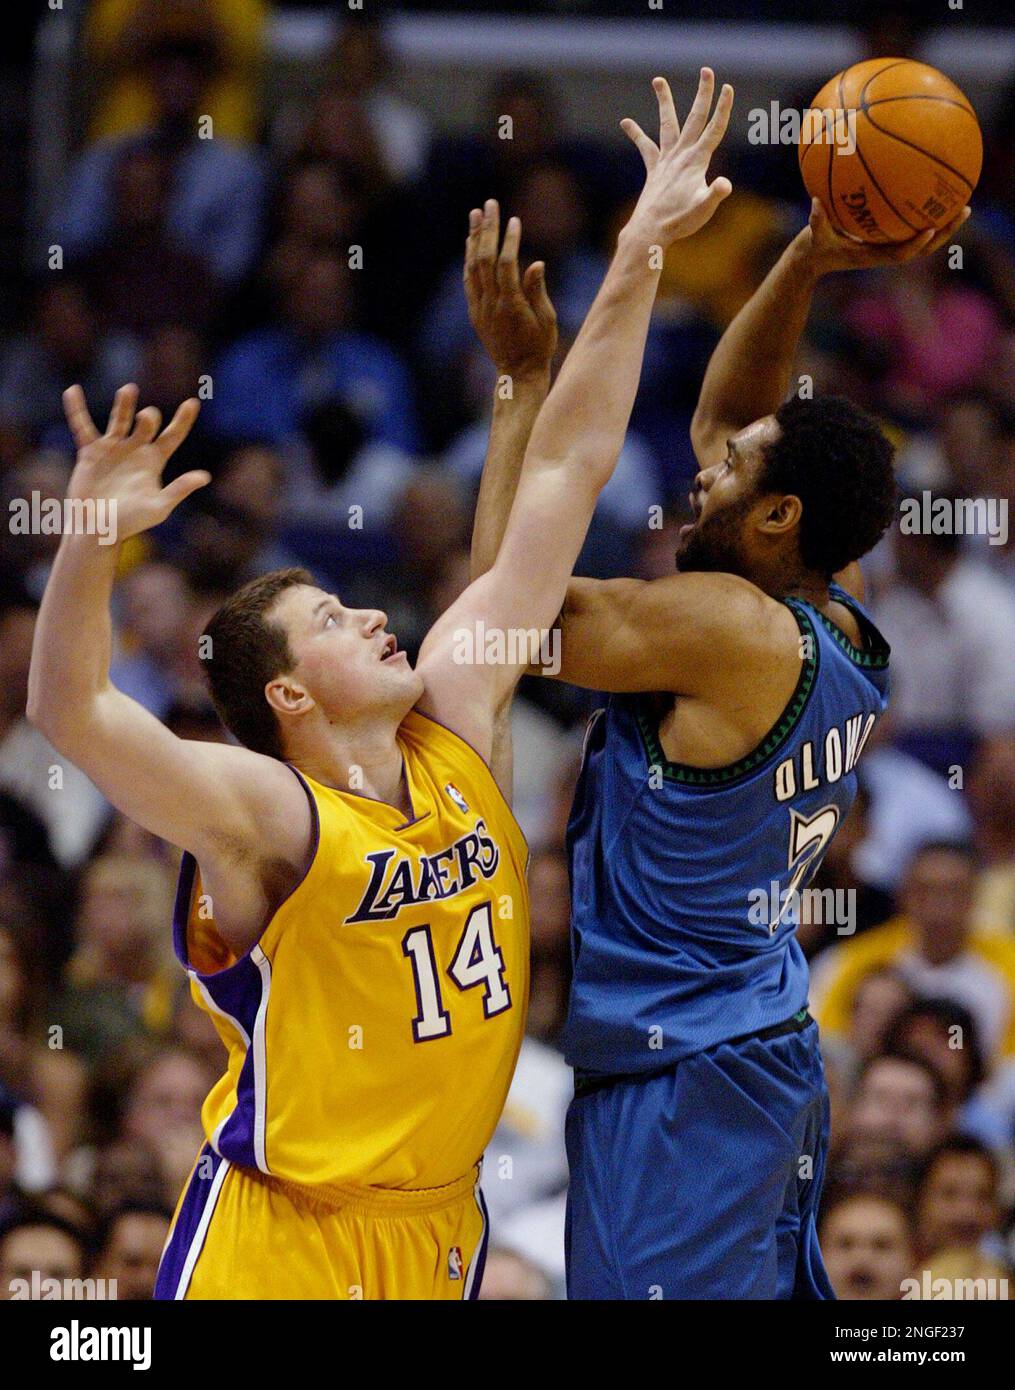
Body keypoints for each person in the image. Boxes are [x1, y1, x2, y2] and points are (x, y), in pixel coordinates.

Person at [27, 71, 735, 1300]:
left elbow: (565, 469)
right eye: (330, 622)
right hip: (285, 1239)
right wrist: (92, 541)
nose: (368, 610)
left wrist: (639, 251)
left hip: (438, 1230)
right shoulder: (268, 816)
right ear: (289, 698)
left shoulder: (452, 716)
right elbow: (70, 710)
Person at [470, 85, 970, 1292]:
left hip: (687, 1081)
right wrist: (809, 249)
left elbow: (499, 612)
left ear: (781, 515)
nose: (702, 472)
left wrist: (524, 384)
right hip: (743, 1054)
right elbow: (735, 416)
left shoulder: (729, 628)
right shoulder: (830, 608)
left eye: (733, 474)